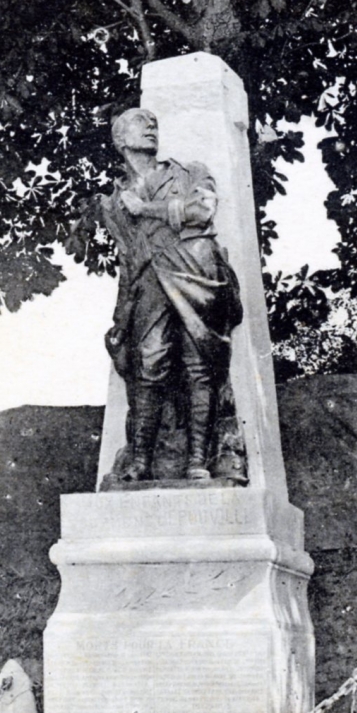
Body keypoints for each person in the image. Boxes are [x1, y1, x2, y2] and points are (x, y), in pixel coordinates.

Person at [102, 107, 243, 483]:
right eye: (138, 122)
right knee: (149, 365)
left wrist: (147, 209)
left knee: (200, 367)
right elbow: (127, 261)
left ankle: (199, 459)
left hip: (197, 271)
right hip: (149, 280)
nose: (150, 126)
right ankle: (140, 461)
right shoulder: (113, 202)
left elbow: (202, 209)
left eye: (153, 122)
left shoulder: (189, 171)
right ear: (119, 141)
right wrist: (120, 319)